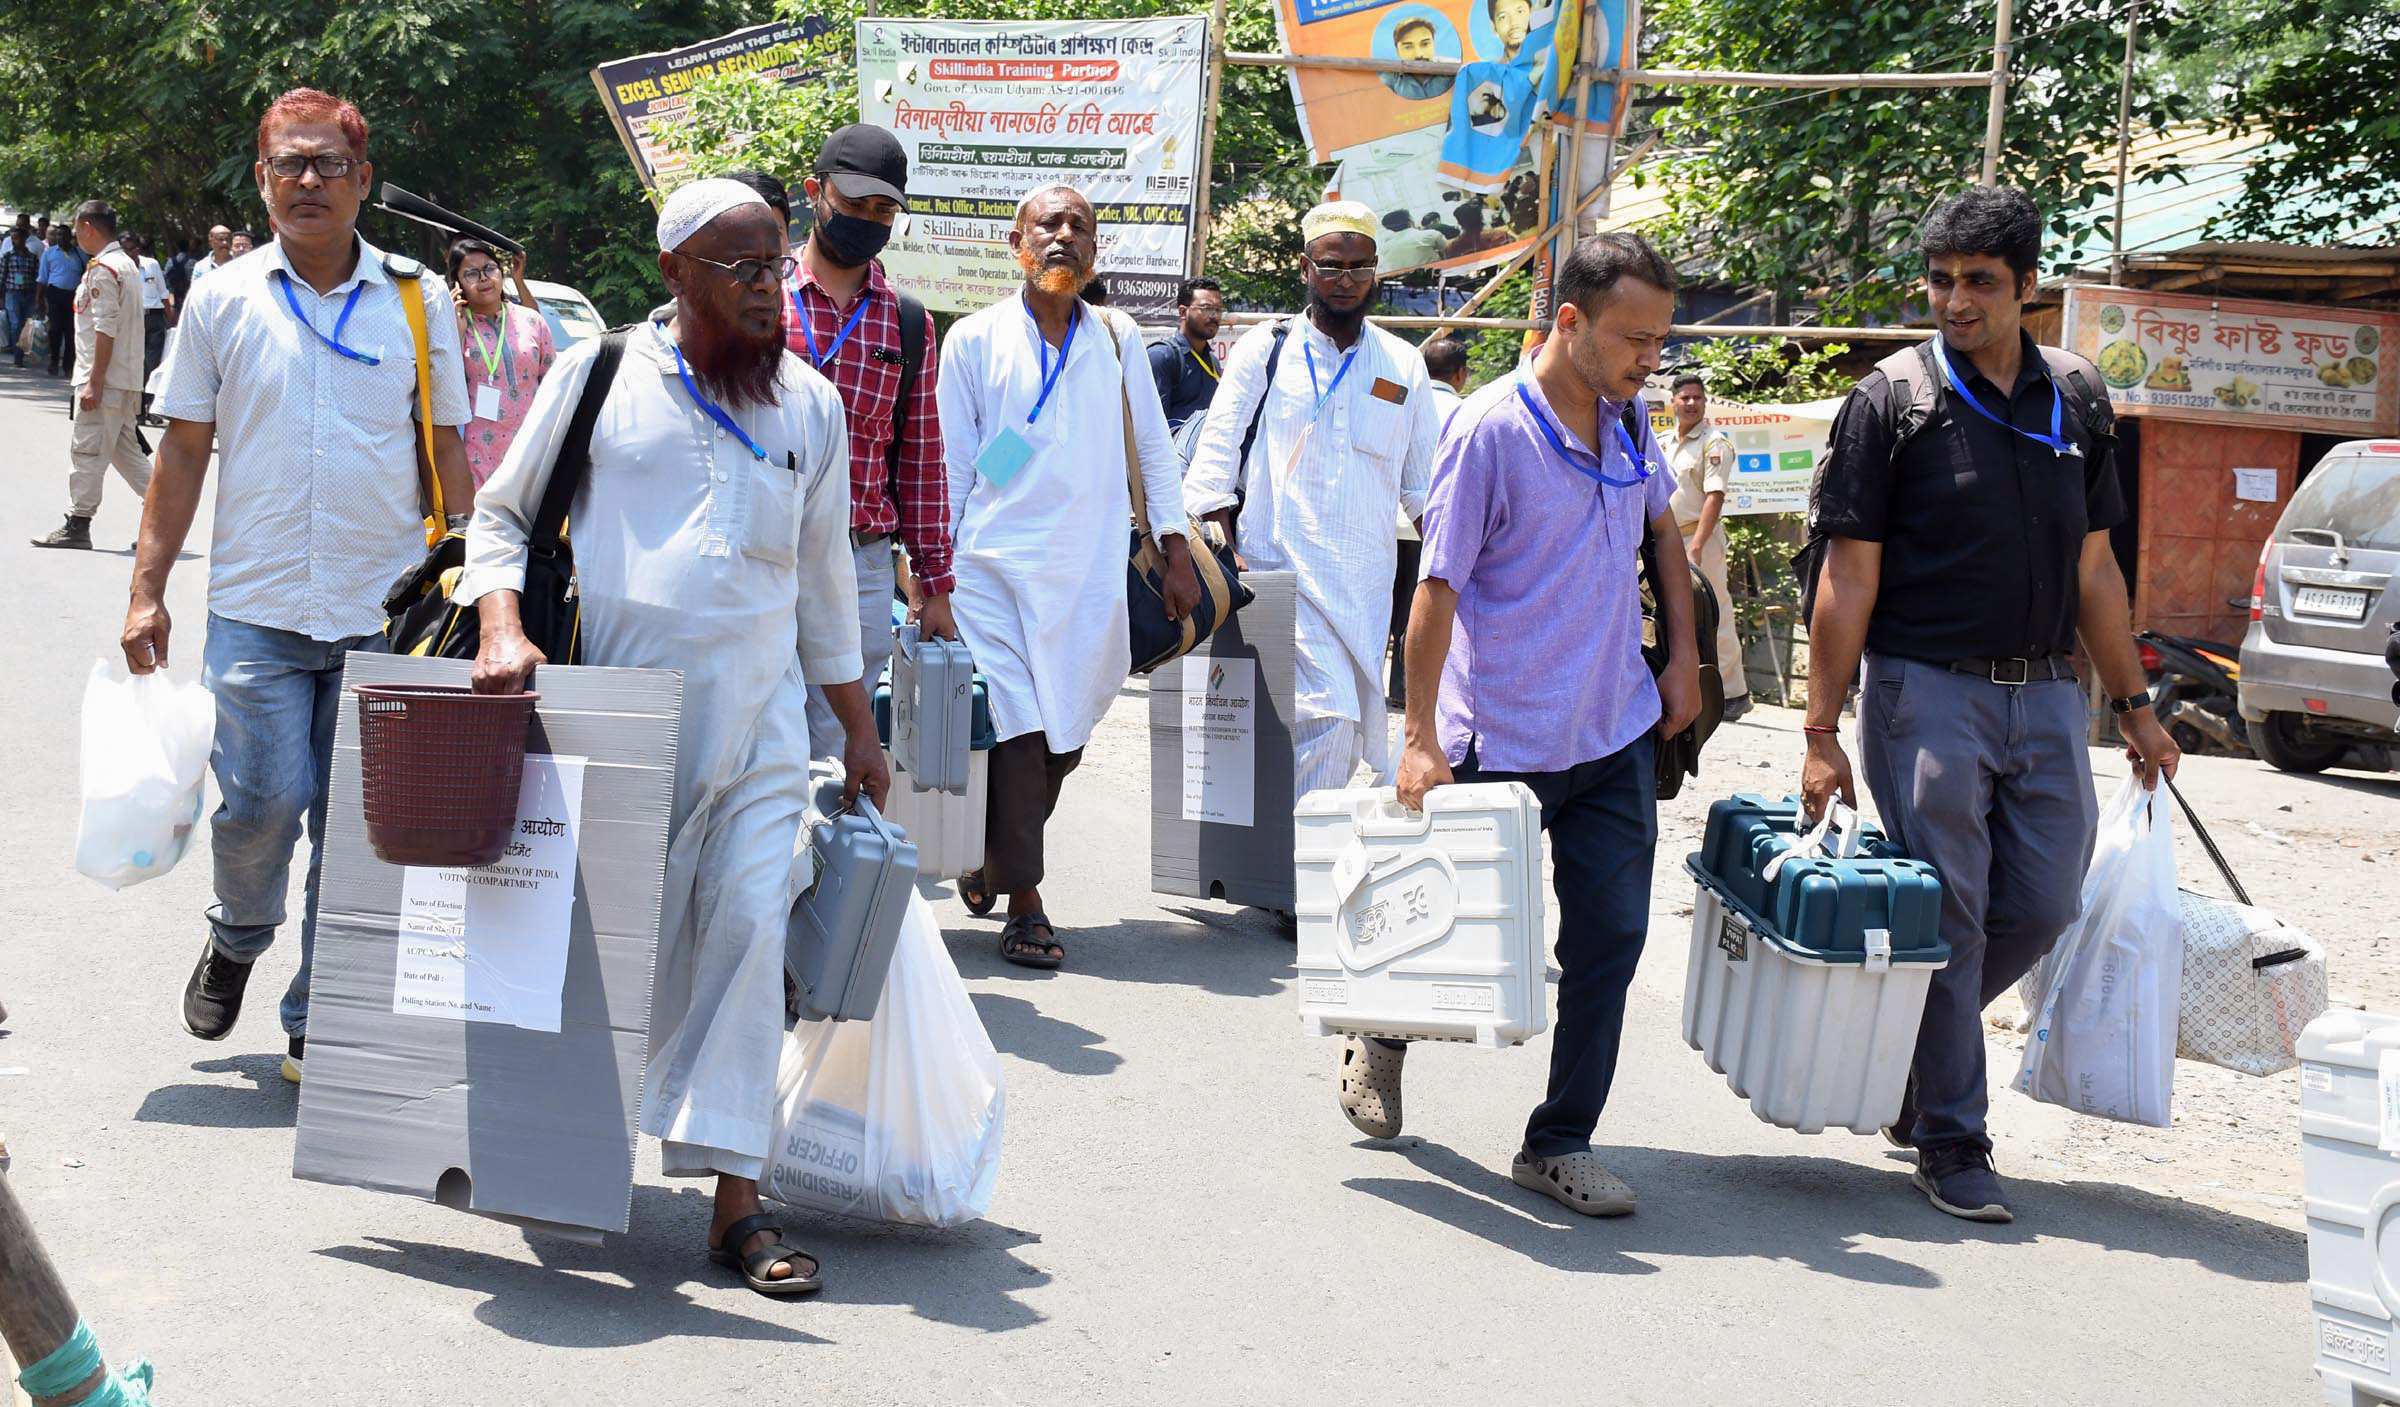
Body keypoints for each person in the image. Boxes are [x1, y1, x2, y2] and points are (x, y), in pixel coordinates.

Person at [462, 178, 884, 1298]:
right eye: (740, 269)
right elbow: (500, 514)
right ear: (675, 276)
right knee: (603, 958)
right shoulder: (599, 375)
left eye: (773, 264)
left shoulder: (810, 404)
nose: (766, 289)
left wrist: (859, 729)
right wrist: (502, 627)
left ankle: (736, 1205)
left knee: (749, 934)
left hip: (760, 734)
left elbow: (825, 587)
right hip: (620, 728)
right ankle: (555, 1147)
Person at [1800, 186, 2180, 1225]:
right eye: (1940, 280)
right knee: (1954, 917)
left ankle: (1918, 1067)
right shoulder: (1891, 400)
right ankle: (1952, 1140)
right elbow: (1847, 576)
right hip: (1926, 692)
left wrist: (2137, 706)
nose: (1954, 300)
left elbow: (2096, 570)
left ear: (2025, 288)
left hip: (2050, 696)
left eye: (1978, 281)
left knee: (2045, 904)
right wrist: (1821, 728)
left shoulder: (2076, 397)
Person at [125, 87, 474, 1087]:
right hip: (257, 604)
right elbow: (185, 447)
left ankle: (315, 1016)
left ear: (363, 180)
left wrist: (480, 587)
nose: (308, 182)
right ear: (262, 177)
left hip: (388, 611)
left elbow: (446, 446)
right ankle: (238, 935)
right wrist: (147, 588)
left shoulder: (420, 296)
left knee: (361, 829)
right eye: (290, 164)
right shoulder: (223, 297)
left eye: (328, 165)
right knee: (263, 806)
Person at [1366, 230, 1699, 1218]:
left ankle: (1559, 1140)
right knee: (1447, 938)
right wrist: (1421, 734)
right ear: (1568, 321)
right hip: (1497, 735)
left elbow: (1664, 531)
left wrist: (1682, 659)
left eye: (1659, 339)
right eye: (1633, 338)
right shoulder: (1488, 428)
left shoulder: (1631, 421)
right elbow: (1438, 585)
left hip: (1612, 733)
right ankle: (1383, 1034)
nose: (1651, 359)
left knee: (1612, 939)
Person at [938, 185, 1199, 969]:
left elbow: (1153, 450)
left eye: (1079, 226)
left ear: (1096, 251)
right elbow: (958, 463)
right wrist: (933, 576)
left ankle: (991, 857)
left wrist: (1177, 548)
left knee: (1066, 734)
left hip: (1088, 574)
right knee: (1018, 726)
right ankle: (1026, 901)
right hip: (991, 572)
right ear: (1016, 243)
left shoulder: (1117, 339)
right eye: (1047, 225)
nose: (1063, 236)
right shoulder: (975, 340)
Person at [1186, 201, 1438, 797]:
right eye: (1331, 266)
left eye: (1358, 267)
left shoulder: (1403, 364)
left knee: (1344, 735)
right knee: (1327, 720)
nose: (1345, 280)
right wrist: (1225, 550)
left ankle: (1282, 868)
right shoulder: (1265, 350)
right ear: (1305, 268)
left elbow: (1426, 489)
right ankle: (1298, 875)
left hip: (1364, 592)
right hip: (1278, 574)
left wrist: (1457, 572)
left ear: (1377, 271)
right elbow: (1218, 456)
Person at [779, 124, 958, 765]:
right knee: (749, 734)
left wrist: (933, 584)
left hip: (857, 565)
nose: (867, 221)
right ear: (814, 192)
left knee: (834, 752)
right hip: (761, 553)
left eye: (883, 211)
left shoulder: (908, 322)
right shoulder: (760, 298)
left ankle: (819, 869)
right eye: (853, 205)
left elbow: (920, 459)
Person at [30, 201, 149, 550]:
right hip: (123, 380)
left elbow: (104, 329)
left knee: (86, 453)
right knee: (126, 455)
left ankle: (77, 524)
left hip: (105, 381)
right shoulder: (125, 265)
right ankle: (165, 518)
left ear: (86, 226)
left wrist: (94, 382)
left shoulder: (105, 268)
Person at [1387, 336, 1469, 705]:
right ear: (1461, 374)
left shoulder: (1400, 400)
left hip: (1387, 522)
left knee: (1387, 608)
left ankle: (1384, 688)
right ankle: (1408, 691)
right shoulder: (1465, 411)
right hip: (1429, 525)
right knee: (1419, 607)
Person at [1667, 372, 1749, 722]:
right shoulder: (1665, 441)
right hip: (1669, 539)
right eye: (1684, 397)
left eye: (1697, 398)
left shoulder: (1714, 443)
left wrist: (1697, 545)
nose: (1691, 403)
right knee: (1671, 613)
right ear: (1673, 401)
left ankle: (1734, 693)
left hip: (1701, 539)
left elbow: (1715, 497)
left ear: (1705, 402)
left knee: (1715, 612)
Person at [448, 238, 556, 489]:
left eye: (489, 269)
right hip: (477, 456)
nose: (484, 278)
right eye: (471, 274)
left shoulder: (531, 320)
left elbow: (554, 382)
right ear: (457, 283)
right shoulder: (455, 327)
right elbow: (443, 390)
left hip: (532, 448)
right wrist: (456, 333)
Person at [1147, 275, 1223, 430]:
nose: (1214, 316)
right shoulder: (1161, 357)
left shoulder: (1213, 362)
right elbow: (1151, 427)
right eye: (1206, 308)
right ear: (1183, 312)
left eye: (1218, 309)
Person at [38, 224, 84, 375]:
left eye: (64, 235)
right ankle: (53, 361)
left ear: (70, 238)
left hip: (74, 296)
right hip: (55, 294)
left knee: (71, 332)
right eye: (58, 235)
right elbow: (42, 278)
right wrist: (39, 301)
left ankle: (68, 365)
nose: (61, 238)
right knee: (55, 330)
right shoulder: (49, 253)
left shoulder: (79, 254)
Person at [1381, 15, 1455, 102]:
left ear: (1433, 44)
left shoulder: (1456, 69)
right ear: (1397, 51)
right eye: (1408, 47)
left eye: (1425, 44)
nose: (1419, 54)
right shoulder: (1386, 80)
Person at [1, 220, 37, 369]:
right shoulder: (7, 257)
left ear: (24, 239)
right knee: (15, 324)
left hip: (28, 294)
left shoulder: (32, 257)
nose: (16, 241)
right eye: (14, 238)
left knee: (26, 325)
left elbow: (36, 277)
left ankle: (22, 352)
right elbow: (1, 277)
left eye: (19, 238)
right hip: (12, 293)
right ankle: (17, 356)